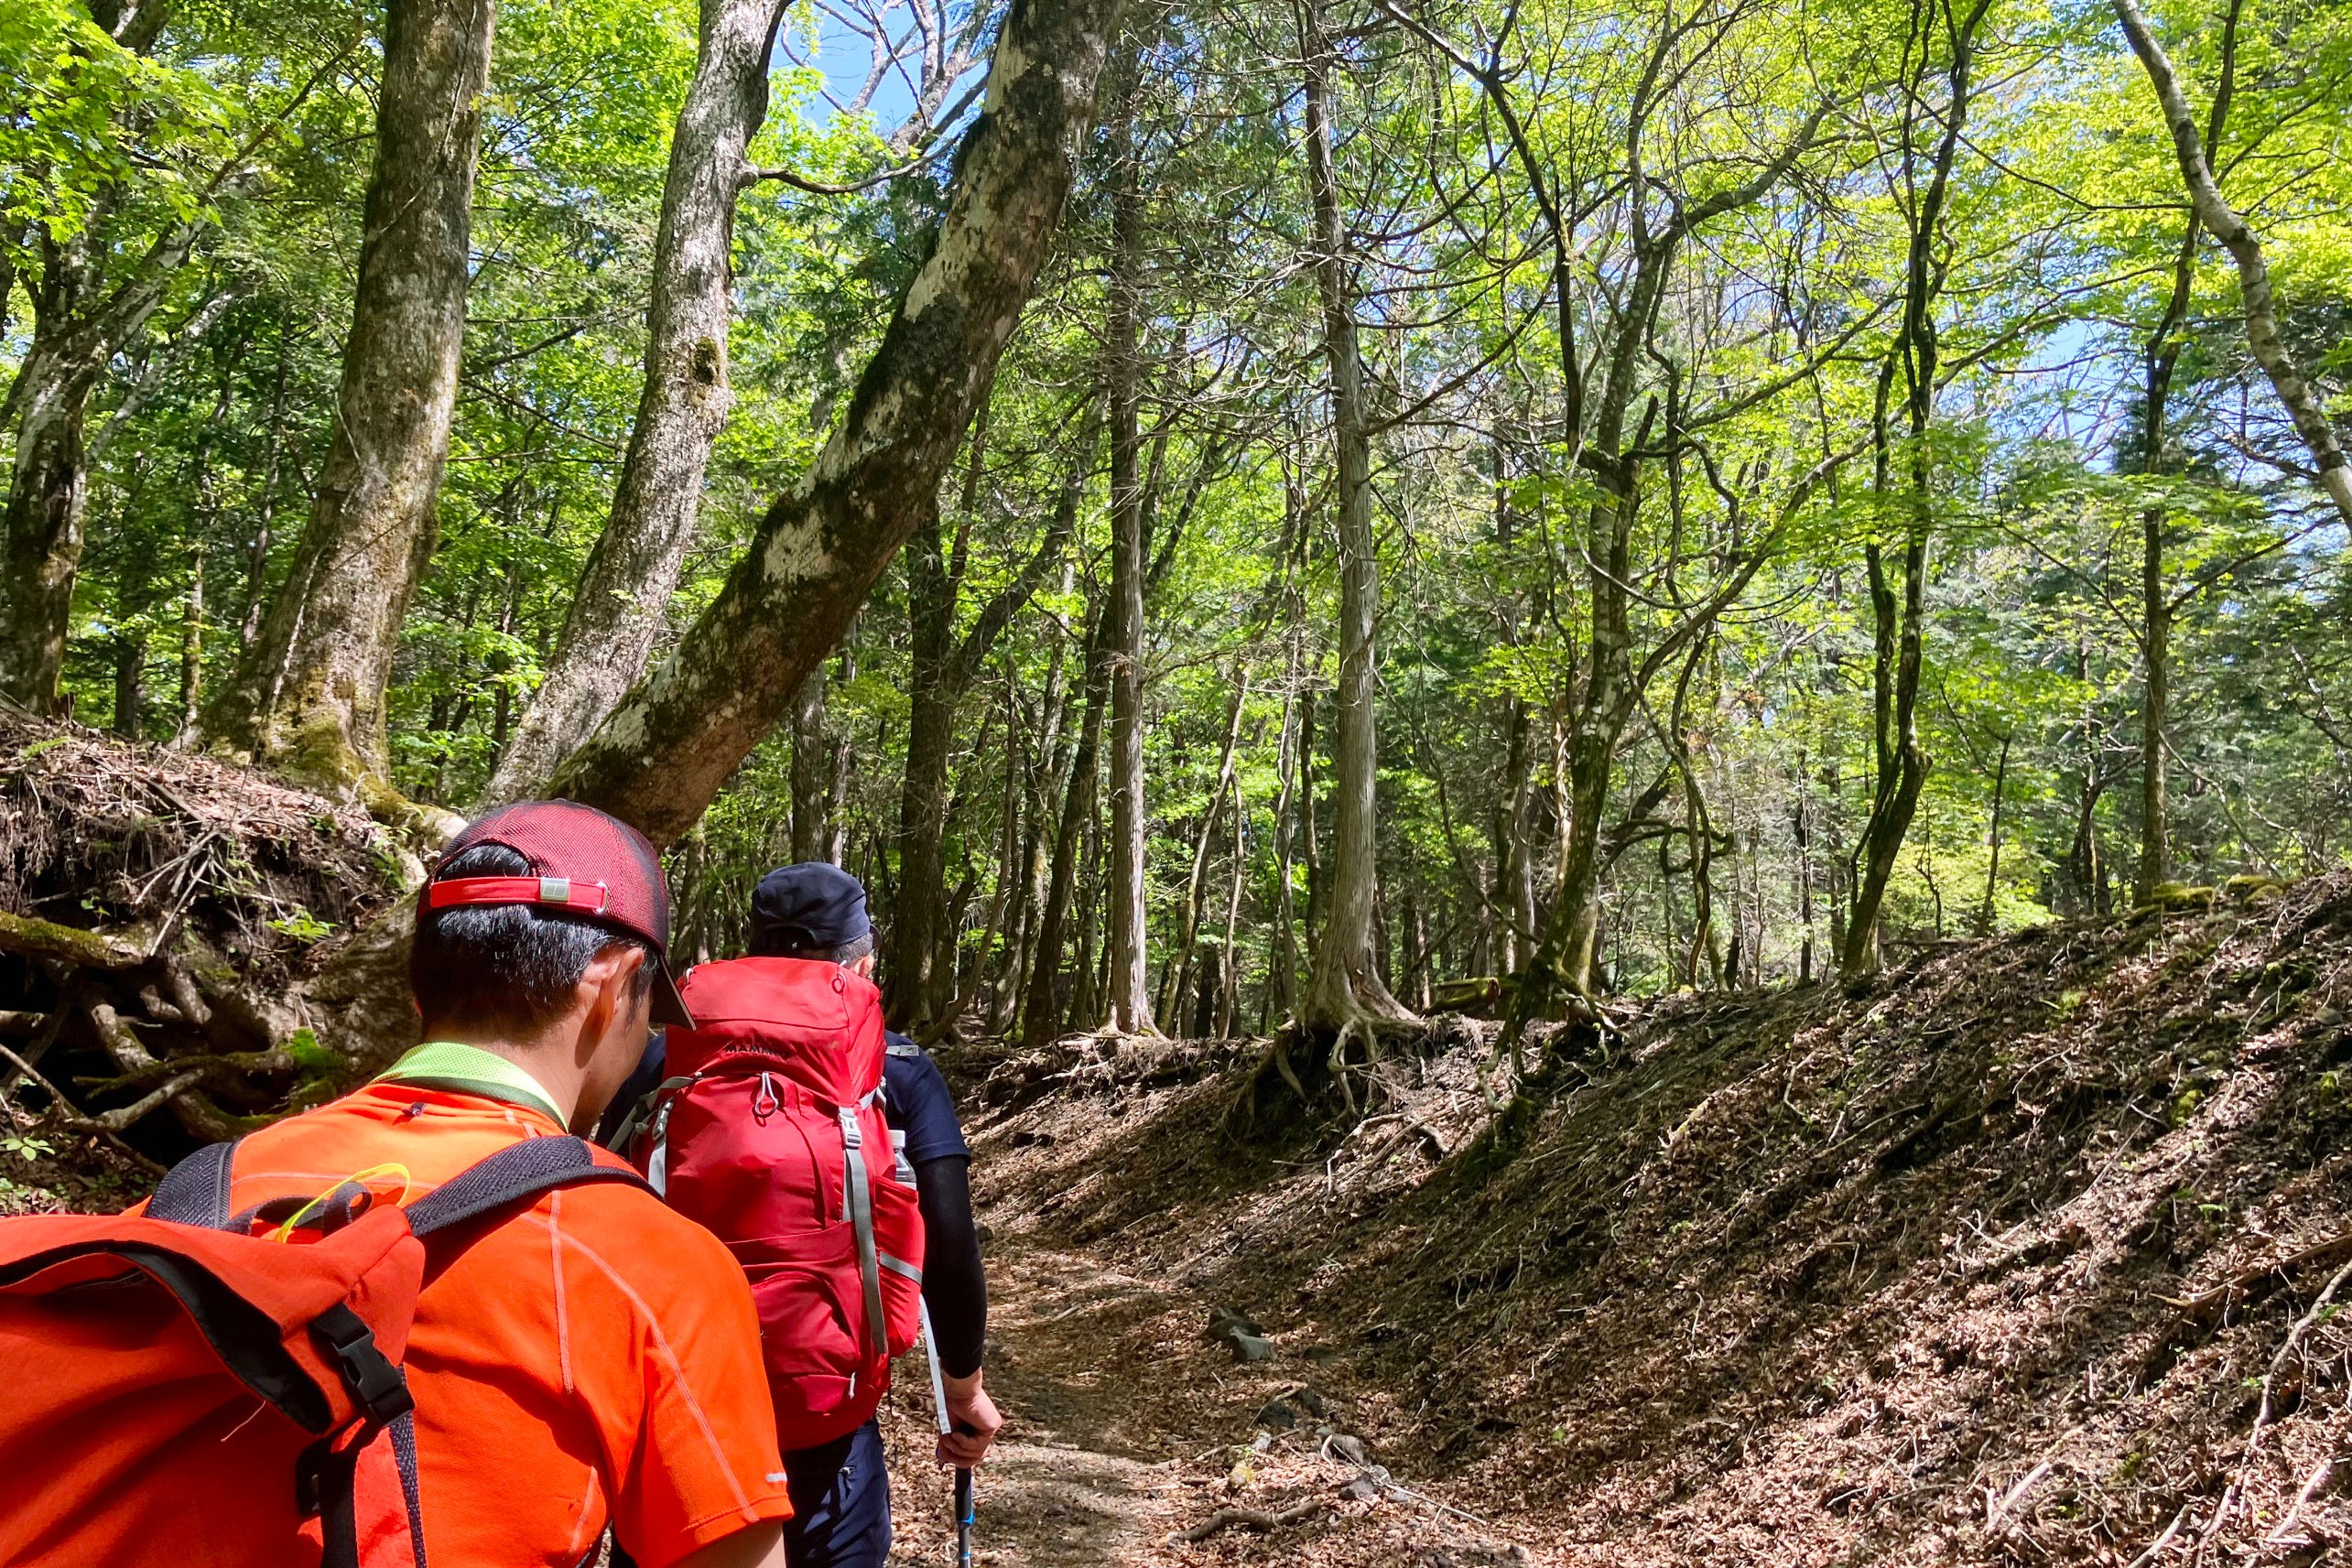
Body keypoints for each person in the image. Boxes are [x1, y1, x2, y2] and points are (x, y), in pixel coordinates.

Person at [183, 801, 795, 1568]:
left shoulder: (199, 1192)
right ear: (612, 985)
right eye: (648, 1012)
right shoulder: (650, 1258)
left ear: (419, 991)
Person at [602, 861, 1001, 1568]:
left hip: (674, 1411)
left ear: (752, 947)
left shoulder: (663, 1056)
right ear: (860, 957)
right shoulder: (896, 1068)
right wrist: (963, 1391)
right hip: (824, 1413)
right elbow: (948, 1241)